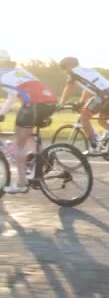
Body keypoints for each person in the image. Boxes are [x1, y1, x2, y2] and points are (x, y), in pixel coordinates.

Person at [0, 50, 57, 194]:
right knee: (28, 133)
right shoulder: (19, 72)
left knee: (19, 143)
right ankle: (40, 162)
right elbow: (12, 97)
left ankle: (21, 184)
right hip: (50, 103)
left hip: (33, 105)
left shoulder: (2, 74)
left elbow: (12, 98)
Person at [57, 57, 109, 154]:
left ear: (69, 66)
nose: (63, 71)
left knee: (84, 118)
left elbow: (68, 88)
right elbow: (88, 88)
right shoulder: (87, 71)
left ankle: (95, 146)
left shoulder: (73, 73)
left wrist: (61, 103)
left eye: (63, 68)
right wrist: (81, 102)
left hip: (104, 94)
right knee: (102, 120)